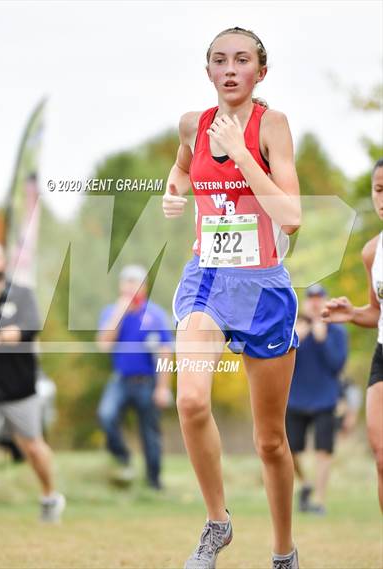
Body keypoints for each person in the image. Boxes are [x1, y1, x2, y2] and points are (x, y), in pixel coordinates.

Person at [163, 27, 301, 569]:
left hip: (264, 285)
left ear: (259, 72)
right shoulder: (191, 126)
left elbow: (291, 215)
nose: (230, 68)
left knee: (270, 441)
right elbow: (181, 167)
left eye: (241, 60)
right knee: (191, 399)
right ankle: (217, 522)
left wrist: (241, 154)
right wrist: (176, 191)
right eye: (219, 60)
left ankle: (283, 551)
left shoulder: (274, 127)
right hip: (208, 279)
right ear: (209, 71)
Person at [0, 240, 65, 523]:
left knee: (32, 447)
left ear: (4, 263)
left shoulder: (21, 294)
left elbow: (30, 328)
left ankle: (49, 496)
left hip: (20, 390)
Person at [322, 158, 383, 512]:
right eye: (378, 190)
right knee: (380, 457)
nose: (382, 198)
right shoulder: (372, 251)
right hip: (382, 353)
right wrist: (353, 313)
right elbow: (377, 313)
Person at [96, 264, 173, 490]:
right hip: (120, 379)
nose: (130, 287)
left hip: (147, 382)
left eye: (135, 282)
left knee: (150, 434)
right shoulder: (112, 312)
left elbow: (165, 353)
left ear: (144, 287)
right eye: (126, 282)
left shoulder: (156, 315)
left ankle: (154, 482)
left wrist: (162, 387)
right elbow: (103, 345)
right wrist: (119, 313)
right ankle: (123, 457)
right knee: (106, 415)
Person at [285, 285, 348, 515]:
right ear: (305, 302)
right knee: (290, 450)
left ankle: (319, 501)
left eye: (319, 298)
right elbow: (279, 363)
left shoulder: (337, 332)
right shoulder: (294, 330)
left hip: (325, 400)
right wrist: (294, 341)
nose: (314, 302)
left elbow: (337, 366)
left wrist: (322, 340)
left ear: (325, 301)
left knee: (324, 451)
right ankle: (305, 484)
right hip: (295, 399)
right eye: (311, 298)